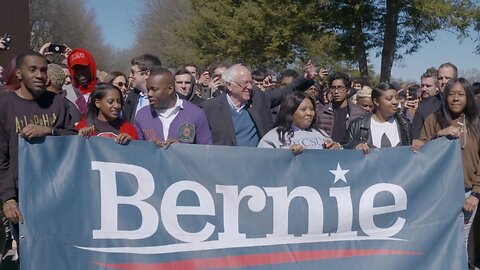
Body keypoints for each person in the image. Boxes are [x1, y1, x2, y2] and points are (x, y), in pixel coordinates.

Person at [0, 51, 77, 225]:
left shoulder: (58, 102)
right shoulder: (4, 105)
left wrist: (50, 131)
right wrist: (8, 198)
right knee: (29, 251)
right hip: (22, 196)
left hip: (57, 191)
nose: (39, 75)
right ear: (19, 73)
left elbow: (74, 140)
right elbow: (1, 158)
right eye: (33, 70)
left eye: (43, 70)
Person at [412, 78, 480, 270]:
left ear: (468, 97)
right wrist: (438, 135)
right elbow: (420, 153)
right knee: (436, 243)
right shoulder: (434, 119)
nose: (455, 99)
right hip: (437, 195)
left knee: (461, 244)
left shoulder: (477, 122)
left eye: (461, 94)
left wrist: (476, 194)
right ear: (444, 96)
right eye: (451, 94)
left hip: (467, 195)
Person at [201, 62, 316, 146]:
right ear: (229, 85)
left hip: (256, 166)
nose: (250, 87)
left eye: (251, 82)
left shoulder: (258, 98)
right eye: (245, 83)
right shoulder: (210, 108)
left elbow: (286, 91)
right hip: (224, 167)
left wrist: (305, 78)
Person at [135, 66, 212, 145]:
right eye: (148, 89)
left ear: (170, 89)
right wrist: (148, 148)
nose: (149, 94)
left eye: (154, 90)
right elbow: (136, 151)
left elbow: (206, 151)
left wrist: (181, 149)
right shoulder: (142, 115)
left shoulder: (196, 114)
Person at [258, 92, 340, 155]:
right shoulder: (274, 136)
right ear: (291, 112)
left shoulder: (321, 133)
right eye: (303, 109)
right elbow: (264, 161)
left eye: (311, 109)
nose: (309, 113)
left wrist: (337, 147)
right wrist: (286, 154)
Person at [343, 82, 411, 153]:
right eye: (389, 99)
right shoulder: (357, 125)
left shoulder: (404, 124)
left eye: (396, 98)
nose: (395, 102)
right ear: (376, 101)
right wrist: (355, 146)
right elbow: (343, 148)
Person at [411, 63, 458, 139]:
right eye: (440, 78)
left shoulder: (468, 104)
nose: (443, 81)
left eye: (447, 78)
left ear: (456, 79)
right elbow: (416, 140)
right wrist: (438, 134)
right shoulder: (424, 107)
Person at [316, 72, 366, 142]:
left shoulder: (359, 113)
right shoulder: (321, 112)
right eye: (333, 88)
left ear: (348, 90)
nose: (336, 91)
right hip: (327, 151)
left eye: (340, 87)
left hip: (350, 151)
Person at [123, 54, 162, 123]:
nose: (130, 76)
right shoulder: (132, 98)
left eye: (133, 72)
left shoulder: (164, 99)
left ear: (146, 74)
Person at [66, 48, 99, 115]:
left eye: (83, 68)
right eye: (76, 69)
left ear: (91, 67)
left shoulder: (105, 91)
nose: (80, 72)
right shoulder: (67, 93)